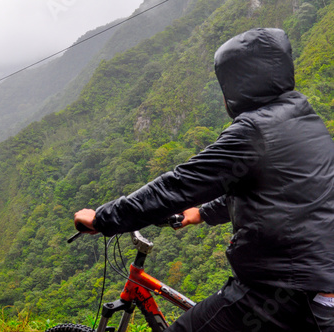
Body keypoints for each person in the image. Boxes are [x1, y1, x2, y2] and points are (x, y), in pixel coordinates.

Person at [74, 28, 334, 331]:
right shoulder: (302, 117)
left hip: (279, 294)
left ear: (238, 85)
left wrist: (103, 219)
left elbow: (177, 186)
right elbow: (270, 189)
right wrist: (201, 213)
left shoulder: (253, 131)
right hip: (318, 290)